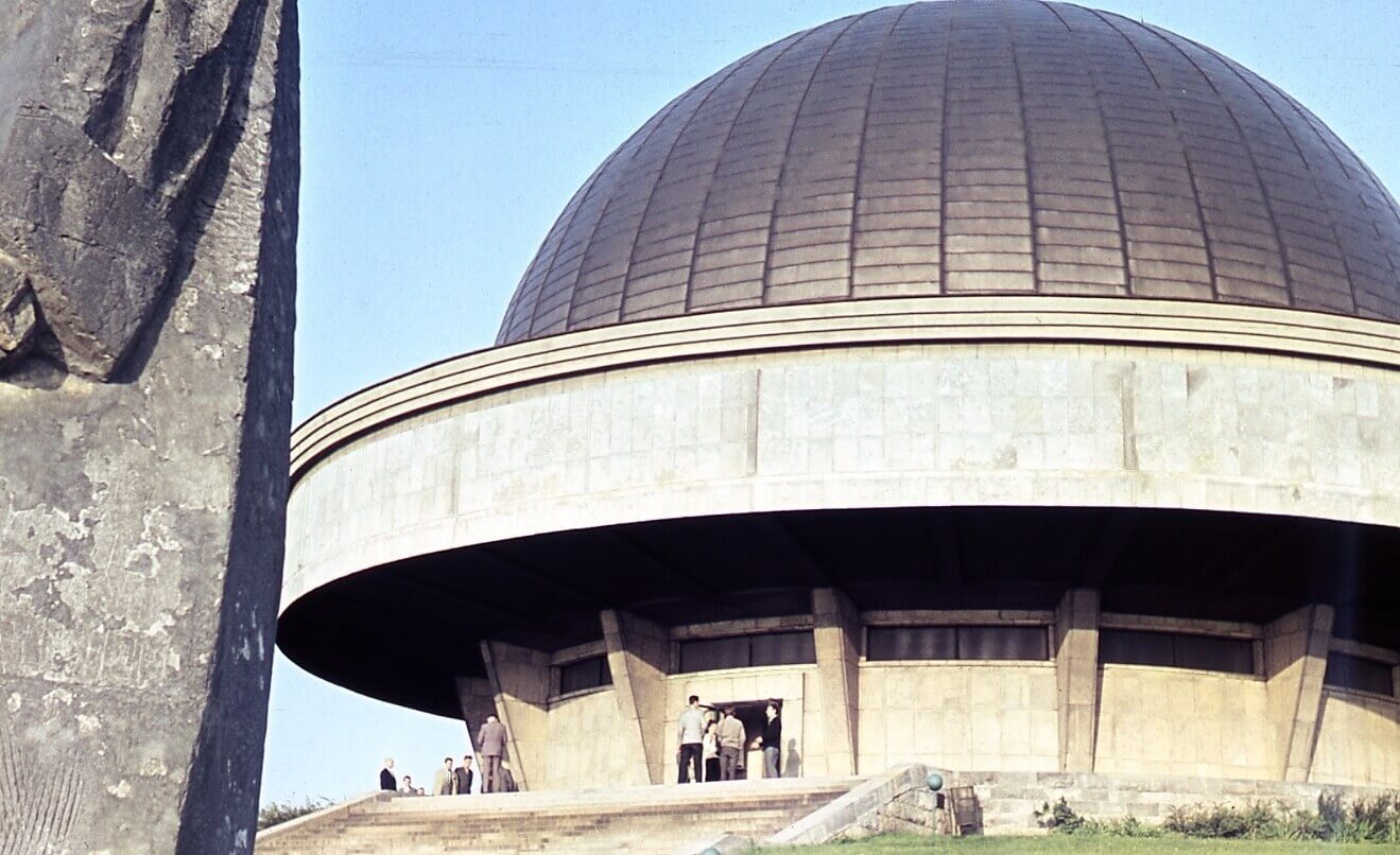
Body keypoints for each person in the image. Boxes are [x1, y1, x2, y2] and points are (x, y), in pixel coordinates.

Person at [676, 695, 705, 784]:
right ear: (696, 702)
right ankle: (698, 780)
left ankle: (681, 781)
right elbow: (704, 726)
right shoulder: (700, 713)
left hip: (686, 741)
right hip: (697, 741)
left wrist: (679, 743)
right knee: (697, 763)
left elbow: (680, 731)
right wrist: (701, 735)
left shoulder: (684, 715)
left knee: (683, 763)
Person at [477, 714, 509, 793]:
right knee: (496, 771)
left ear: (489, 720)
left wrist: (485, 744)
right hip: (497, 751)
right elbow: (505, 741)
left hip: (487, 751)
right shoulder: (502, 727)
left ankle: (485, 789)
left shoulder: (484, 727)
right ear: (496, 719)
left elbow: (479, 740)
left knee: (486, 770)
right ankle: (496, 789)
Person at [717, 706, 745, 781]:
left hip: (725, 746)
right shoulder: (739, 723)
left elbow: (718, 737)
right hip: (735, 747)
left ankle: (722, 786)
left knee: (723, 770)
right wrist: (740, 747)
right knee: (732, 770)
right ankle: (731, 787)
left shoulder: (721, 722)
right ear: (734, 713)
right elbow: (743, 737)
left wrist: (721, 744)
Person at [760, 702, 782, 778]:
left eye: (768, 709)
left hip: (772, 747)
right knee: (768, 768)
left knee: (771, 768)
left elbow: (772, 735)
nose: (766, 712)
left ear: (774, 710)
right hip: (768, 747)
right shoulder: (768, 722)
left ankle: (775, 785)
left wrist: (762, 738)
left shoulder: (776, 721)